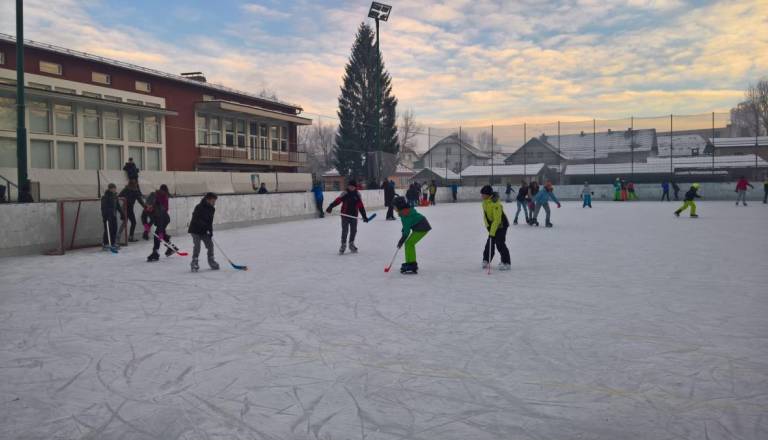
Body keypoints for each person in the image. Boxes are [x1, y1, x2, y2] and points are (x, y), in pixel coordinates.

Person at [325, 180, 370, 254]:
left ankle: (351, 244)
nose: (351, 187)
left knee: (354, 230)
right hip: (345, 215)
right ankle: (343, 244)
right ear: (348, 186)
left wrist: (364, 216)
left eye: (353, 186)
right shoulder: (345, 193)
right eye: (350, 186)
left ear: (355, 187)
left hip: (354, 216)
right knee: (345, 230)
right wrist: (331, 206)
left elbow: (361, 206)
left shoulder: (357, 194)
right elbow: (338, 200)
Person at [393, 196, 431, 274]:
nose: (394, 208)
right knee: (408, 244)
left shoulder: (405, 214)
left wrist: (401, 241)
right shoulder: (405, 212)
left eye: (395, 206)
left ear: (400, 206)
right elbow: (407, 226)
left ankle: (412, 263)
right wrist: (404, 230)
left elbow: (406, 232)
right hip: (419, 227)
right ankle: (409, 262)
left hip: (422, 228)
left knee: (409, 243)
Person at [480, 185, 511, 271]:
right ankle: (486, 259)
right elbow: (485, 216)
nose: (481, 196)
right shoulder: (485, 202)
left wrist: (492, 232)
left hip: (501, 225)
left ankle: (506, 262)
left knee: (499, 243)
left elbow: (497, 220)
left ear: (488, 194)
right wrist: (488, 227)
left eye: (483, 194)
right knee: (489, 242)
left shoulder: (495, 203)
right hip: (492, 225)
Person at [188, 192, 219, 272]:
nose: (214, 202)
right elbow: (196, 219)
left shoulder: (212, 209)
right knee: (197, 246)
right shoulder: (199, 207)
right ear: (207, 199)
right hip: (195, 230)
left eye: (215, 201)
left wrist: (210, 231)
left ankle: (211, 261)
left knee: (210, 245)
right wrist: (205, 227)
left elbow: (210, 222)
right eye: (213, 200)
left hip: (204, 231)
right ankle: (194, 262)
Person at [146, 184, 173, 262]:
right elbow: (148, 215)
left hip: (164, 218)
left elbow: (164, 210)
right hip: (159, 217)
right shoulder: (154, 197)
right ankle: (169, 246)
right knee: (160, 234)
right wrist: (146, 228)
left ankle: (156, 252)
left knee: (158, 234)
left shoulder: (164, 197)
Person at [100, 183, 120, 251]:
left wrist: (122, 213)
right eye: (113, 188)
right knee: (108, 230)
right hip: (107, 216)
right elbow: (103, 208)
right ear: (110, 189)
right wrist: (105, 216)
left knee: (114, 229)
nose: (114, 190)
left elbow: (118, 206)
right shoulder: (105, 197)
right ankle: (105, 243)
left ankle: (113, 242)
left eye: (115, 188)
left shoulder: (115, 196)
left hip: (113, 215)